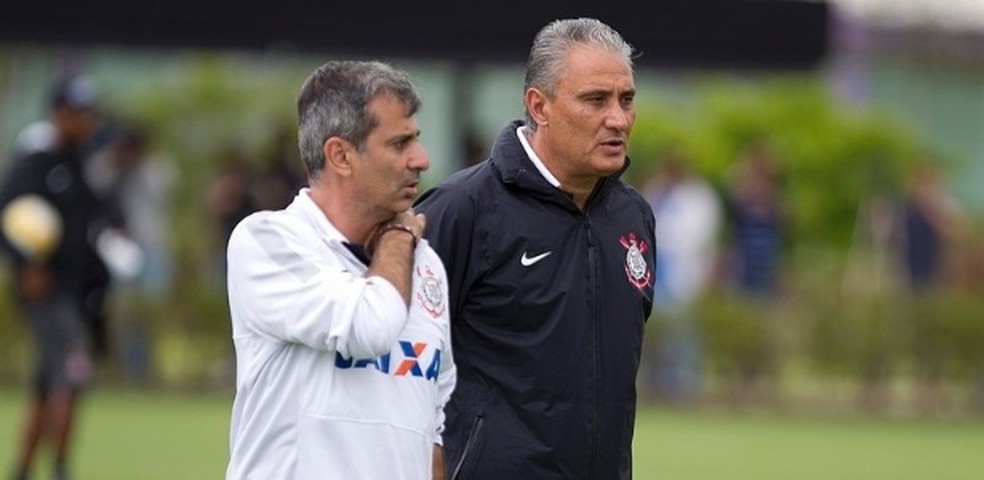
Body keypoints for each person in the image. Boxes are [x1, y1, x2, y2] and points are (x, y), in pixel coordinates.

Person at [414, 18, 655, 479]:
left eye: (626, 100)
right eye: (596, 100)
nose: (618, 119)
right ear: (538, 106)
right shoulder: (462, 210)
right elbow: (400, 364)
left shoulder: (634, 217)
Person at [225, 60, 456, 480]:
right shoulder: (267, 243)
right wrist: (398, 238)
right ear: (341, 155)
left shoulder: (426, 265)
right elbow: (370, 325)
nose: (421, 160)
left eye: (415, 141)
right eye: (399, 143)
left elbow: (434, 417)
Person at [1, 74, 113, 480]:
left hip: (75, 292)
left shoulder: (82, 164)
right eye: (77, 113)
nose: (85, 120)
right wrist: (27, 263)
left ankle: (22, 469)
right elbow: (10, 217)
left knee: (47, 381)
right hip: (45, 293)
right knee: (72, 369)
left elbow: (97, 220)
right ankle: (61, 469)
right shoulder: (36, 162)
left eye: (88, 113)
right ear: (57, 114)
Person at [642, 151, 722, 404]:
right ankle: (654, 386)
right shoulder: (655, 191)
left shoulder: (698, 197)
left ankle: (684, 388)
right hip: (653, 275)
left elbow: (696, 237)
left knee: (683, 336)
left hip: (682, 276)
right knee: (652, 337)